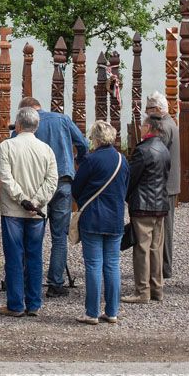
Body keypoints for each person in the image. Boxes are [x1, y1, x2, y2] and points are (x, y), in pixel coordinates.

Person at [0, 105, 58, 318]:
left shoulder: (7, 146)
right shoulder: (46, 149)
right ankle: (34, 302)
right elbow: (52, 181)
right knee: (35, 256)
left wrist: (22, 199)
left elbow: (5, 178)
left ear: (18, 124)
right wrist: (37, 201)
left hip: (14, 210)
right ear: (37, 126)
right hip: (37, 211)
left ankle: (16, 303)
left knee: (14, 257)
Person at [31, 96, 88, 299]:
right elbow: (83, 143)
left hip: (36, 185)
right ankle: (55, 283)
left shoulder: (27, 122)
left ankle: (31, 281)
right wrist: (78, 162)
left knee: (33, 235)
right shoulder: (62, 119)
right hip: (63, 181)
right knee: (59, 237)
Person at [72, 121, 129, 324]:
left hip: (93, 217)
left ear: (95, 138)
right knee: (113, 265)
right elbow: (125, 188)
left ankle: (92, 312)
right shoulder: (122, 160)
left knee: (94, 266)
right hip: (115, 218)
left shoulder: (90, 160)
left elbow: (76, 188)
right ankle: (112, 311)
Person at [126, 111, 172, 304]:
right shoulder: (164, 149)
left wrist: (127, 196)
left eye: (143, 126)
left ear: (149, 128)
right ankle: (157, 288)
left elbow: (131, 177)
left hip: (143, 204)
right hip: (160, 204)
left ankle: (142, 290)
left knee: (142, 249)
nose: (140, 128)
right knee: (156, 248)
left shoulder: (142, 150)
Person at [145, 93, 181, 279]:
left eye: (149, 110)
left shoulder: (165, 127)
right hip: (168, 184)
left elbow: (156, 153)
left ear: (158, 110)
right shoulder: (171, 123)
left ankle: (164, 267)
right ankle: (161, 265)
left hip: (164, 185)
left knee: (165, 229)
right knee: (163, 227)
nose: (146, 113)